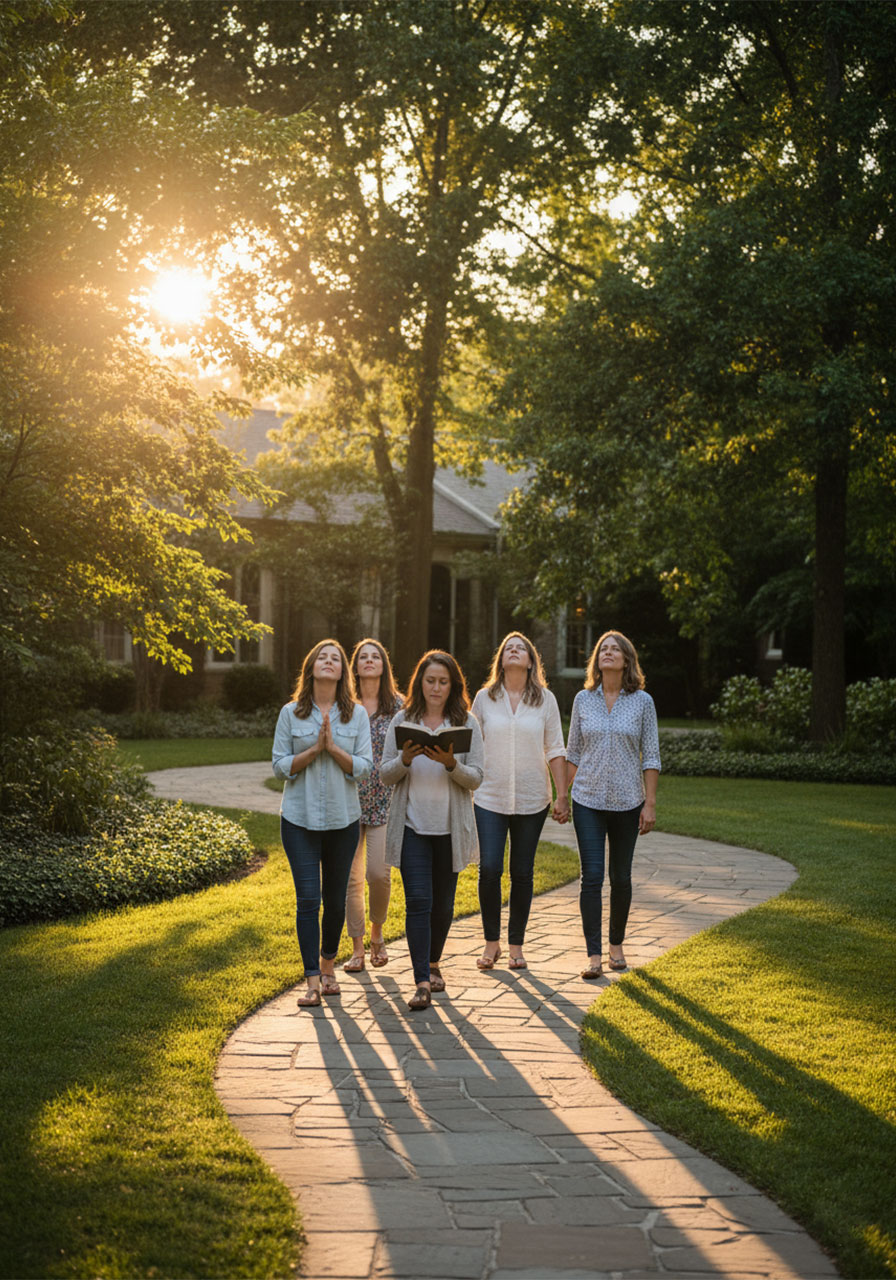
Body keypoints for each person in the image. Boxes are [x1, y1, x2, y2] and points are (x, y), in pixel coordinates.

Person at [380, 649, 484, 1011]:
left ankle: (435, 962)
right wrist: (405, 759)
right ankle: (422, 980)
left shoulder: (467, 723)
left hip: (450, 830)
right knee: (419, 901)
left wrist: (452, 763)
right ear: (419, 683)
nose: (436, 688)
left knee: (442, 907)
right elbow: (385, 774)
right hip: (411, 827)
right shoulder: (402, 720)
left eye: (443, 682)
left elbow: (476, 779)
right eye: (430, 681)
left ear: (453, 685)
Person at [272, 639, 372, 1008]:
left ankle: (328, 964)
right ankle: (312, 981)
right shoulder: (290, 714)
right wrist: (315, 750)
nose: (328, 662)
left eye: (335, 658)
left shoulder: (355, 715)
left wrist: (334, 749)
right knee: (308, 900)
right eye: (322, 657)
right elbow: (280, 765)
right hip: (298, 820)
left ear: (343, 671)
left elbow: (363, 767)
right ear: (310, 667)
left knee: (334, 900)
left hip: (342, 821)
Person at [565, 630, 660, 979]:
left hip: (627, 802)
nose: (607, 653)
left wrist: (649, 804)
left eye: (615, 649)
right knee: (591, 877)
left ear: (626, 660)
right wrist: (562, 793)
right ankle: (593, 956)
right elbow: (572, 751)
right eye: (602, 649)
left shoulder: (642, 702)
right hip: (587, 799)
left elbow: (650, 755)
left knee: (620, 877)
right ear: (597, 660)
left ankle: (616, 946)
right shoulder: (582, 700)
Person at [471, 632, 567, 972]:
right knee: (490, 868)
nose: (514, 650)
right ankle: (491, 943)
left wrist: (562, 795)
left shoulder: (546, 701)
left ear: (530, 661)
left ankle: (516, 947)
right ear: (501, 659)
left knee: (522, 872)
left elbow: (555, 748)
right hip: (488, 796)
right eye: (508, 647)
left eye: (520, 648)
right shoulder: (484, 698)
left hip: (531, 799)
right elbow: (471, 745)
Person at [343, 638, 404, 973]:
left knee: (378, 874)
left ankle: (377, 933)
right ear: (355, 666)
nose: (368, 661)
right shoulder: (345, 708)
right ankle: (356, 948)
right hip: (348, 801)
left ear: (384, 665)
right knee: (351, 880)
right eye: (363, 657)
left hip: (385, 801)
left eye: (375, 656)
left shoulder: (399, 706)